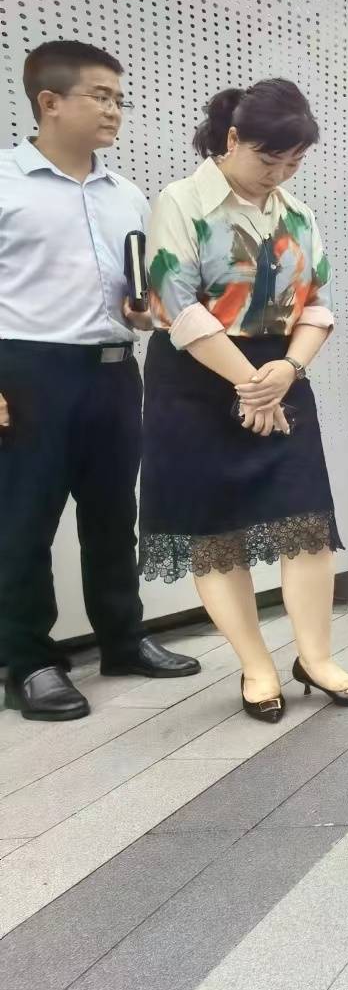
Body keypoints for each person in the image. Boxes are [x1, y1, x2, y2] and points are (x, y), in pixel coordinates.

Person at [139, 80, 348, 723]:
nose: (279, 174)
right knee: (216, 534)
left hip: (280, 371)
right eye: (268, 160)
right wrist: (251, 383)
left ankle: (316, 658)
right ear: (233, 139)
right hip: (196, 379)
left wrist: (287, 371)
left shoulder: (296, 214)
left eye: (293, 163)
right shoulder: (181, 202)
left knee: (306, 521)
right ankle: (256, 666)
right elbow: (173, 304)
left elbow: (319, 303)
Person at [0, 41, 202, 721]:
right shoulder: (4, 180)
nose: (115, 110)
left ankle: (123, 638)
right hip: (29, 372)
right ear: (49, 102)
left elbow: (137, 300)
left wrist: (141, 312)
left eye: (119, 98)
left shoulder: (127, 195)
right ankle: (29, 662)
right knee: (22, 523)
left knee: (114, 517)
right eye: (100, 96)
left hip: (115, 372)